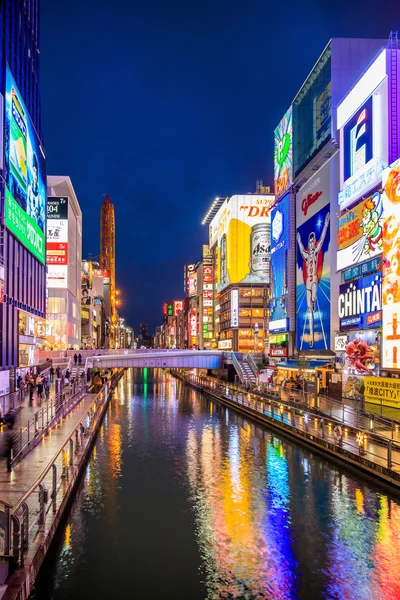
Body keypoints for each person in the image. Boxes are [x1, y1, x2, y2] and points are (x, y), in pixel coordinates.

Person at [297, 212, 330, 348]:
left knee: (314, 298)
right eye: (310, 242)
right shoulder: (306, 254)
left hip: (314, 279)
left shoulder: (315, 251)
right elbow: (300, 249)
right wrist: (299, 241)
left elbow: (322, 238)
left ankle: (313, 302)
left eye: (312, 241)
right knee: (310, 310)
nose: (311, 243)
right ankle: (311, 337)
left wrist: (326, 223)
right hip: (307, 284)